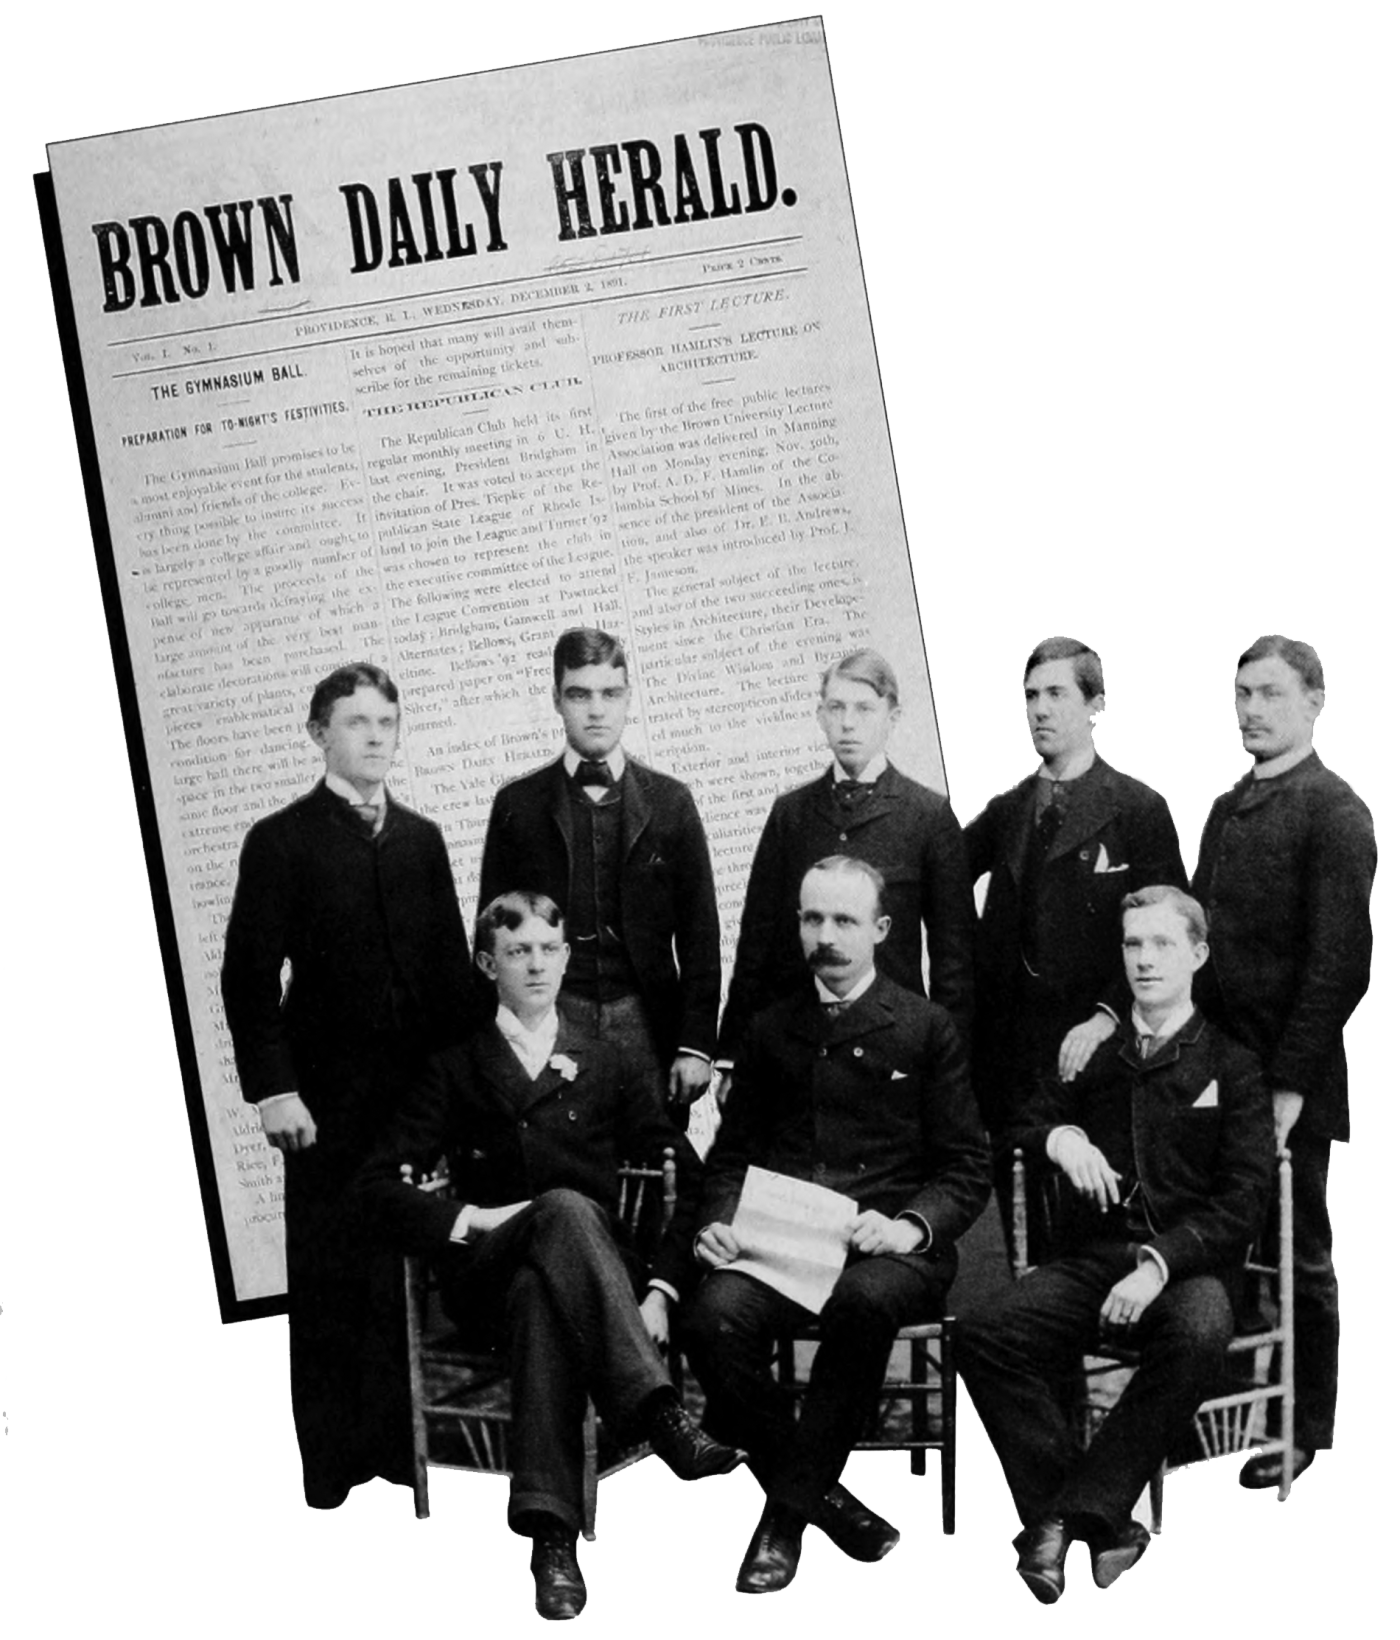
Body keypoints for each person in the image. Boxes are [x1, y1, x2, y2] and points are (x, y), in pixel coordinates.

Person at [354, 891, 742, 1621]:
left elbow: (687, 1179)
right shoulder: (456, 1067)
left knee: (545, 1292)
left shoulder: (609, 1060)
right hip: (484, 1279)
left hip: (588, 1282)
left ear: (566, 958)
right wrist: (471, 1218)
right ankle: (658, 1411)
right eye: (516, 951)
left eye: (547, 950)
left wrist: (659, 1289)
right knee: (558, 1212)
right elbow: (375, 1187)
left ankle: (551, 1541)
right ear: (486, 963)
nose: (535, 965)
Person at [682, 856, 990, 1595]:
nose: (826, 936)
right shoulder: (767, 1029)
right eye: (812, 918)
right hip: (785, 1249)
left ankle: (784, 1521)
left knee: (861, 1304)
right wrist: (718, 1224)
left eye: (845, 920)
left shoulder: (925, 1028)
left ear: (882, 929)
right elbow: (729, 1160)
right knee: (711, 1317)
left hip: (890, 1251)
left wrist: (909, 1226)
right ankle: (831, 1500)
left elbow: (964, 1168)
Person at [957, 886, 1272, 1603]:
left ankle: (1062, 1517)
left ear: (1197, 954)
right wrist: (1061, 1139)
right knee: (983, 1333)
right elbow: (1024, 1120)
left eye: (1162, 944)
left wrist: (1161, 1264)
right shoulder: (1096, 1052)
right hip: (1094, 1260)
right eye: (1133, 944)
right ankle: (1097, 1522)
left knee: (1198, 1331)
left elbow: (1244, 1200)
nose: (1145, 960)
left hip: (1187, 1268)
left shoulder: (1233, 1063)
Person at [221, 662, 476, 1509]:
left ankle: (405, 1453)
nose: (375, 737)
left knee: (405, 1269)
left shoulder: (423, 839)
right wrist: (274, 1091)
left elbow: (448, 972)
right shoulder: (282, 839)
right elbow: (248, 978)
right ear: (318, 733)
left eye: (387, 722)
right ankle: (331, 1468)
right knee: (332, 1272)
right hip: (324, 1103)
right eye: (356, 721)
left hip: (414, 1100)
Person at [1191, 633, 1375, 1491]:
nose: (1251, 710)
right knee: (1225, 1243)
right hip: (1218, 1075)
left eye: (1269, 694)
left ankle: (1304, 1429)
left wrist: (1291, 1084)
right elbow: (1198, 943)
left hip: (1291, 1081)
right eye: (1242, 694)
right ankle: (1232, 1408)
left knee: (1298, 1254)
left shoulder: (1336, 809)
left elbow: (1341, 963)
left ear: (1313, 702)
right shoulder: (1226, 808)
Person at [963, 635, 1186, 1246]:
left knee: (1092, 1222)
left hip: (1098, 1051)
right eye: (1031, 696)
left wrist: (1109, 1014)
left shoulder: (1139, 808)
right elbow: (941, 877)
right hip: (1009, 1056)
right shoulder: (1008, 809)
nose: (1040, 710)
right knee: (1019, 1226)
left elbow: (1169, 930)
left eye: (1057, 694)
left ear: (1096, 704)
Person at [478, 627, 721, 1122]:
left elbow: (700, 935)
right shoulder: (518, 806)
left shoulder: (671, 803)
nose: (595, 710)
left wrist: (695, 1046)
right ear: (556, 699)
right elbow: (488, 936)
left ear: (628, 698)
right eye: (579, 694)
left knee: (651, 1175)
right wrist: (491, 1048)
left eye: (610, 694)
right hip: (549, 1018)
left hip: (644, 1023)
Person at [717, 648, 974, 1074]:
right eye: (836, 708)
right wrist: (731, 1056)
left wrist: (949, 1065)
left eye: (864, 709)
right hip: (798, 1053)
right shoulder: (791, 815)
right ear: (820, 715)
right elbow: (757, 943)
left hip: (893, 1054)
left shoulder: (927, 816)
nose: (848, 723)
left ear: (892, 717)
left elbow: (955, 961)